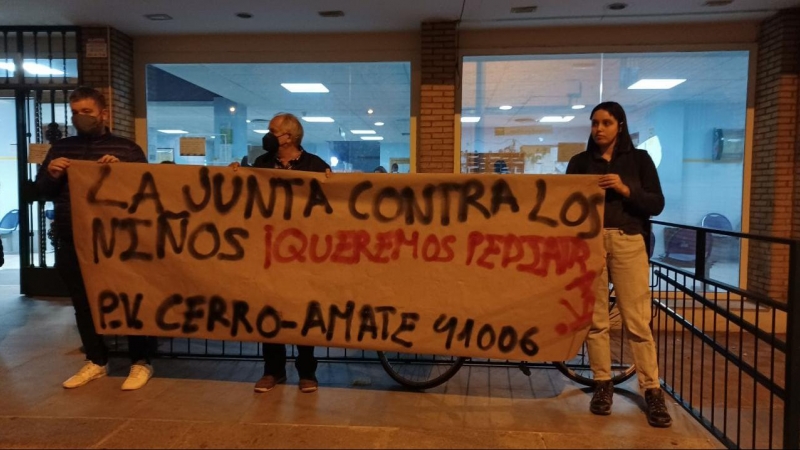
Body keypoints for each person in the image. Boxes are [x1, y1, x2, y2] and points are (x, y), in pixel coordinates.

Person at [36, 86, 156, 391]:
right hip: (73, 239)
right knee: (83, 303)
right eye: (75, 112)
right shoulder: (61, 148)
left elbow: (146, 194)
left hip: (119, 243)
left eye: (86, 112)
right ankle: (96, 359)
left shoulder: (127, 149)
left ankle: (140, 361)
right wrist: (50, 173)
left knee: (130, 301)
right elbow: (41, 192)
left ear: (104, 113)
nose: (80, 117)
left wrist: (122, 174)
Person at [566, 101, 671, 428]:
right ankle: (602, 384)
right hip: (590, 244)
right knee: (596, 319)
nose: (598, 129)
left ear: (620, 126)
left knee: (636, 319)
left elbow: (657, 203)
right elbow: (565, 206)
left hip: (627, 241)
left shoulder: (639, 161)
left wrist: (626, 189)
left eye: (606, 123)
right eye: (594, 123)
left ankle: (651, 388)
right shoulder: (580, 162)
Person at [231, 112, 330, 393]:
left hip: (304, 255)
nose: (268, 135)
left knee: (303, 312)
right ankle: (272, 371)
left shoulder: (314, 166)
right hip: (270, 253)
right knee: (270, 310)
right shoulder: (261, 165)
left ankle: (307, 372)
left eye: (273, 131)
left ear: (289, 137)